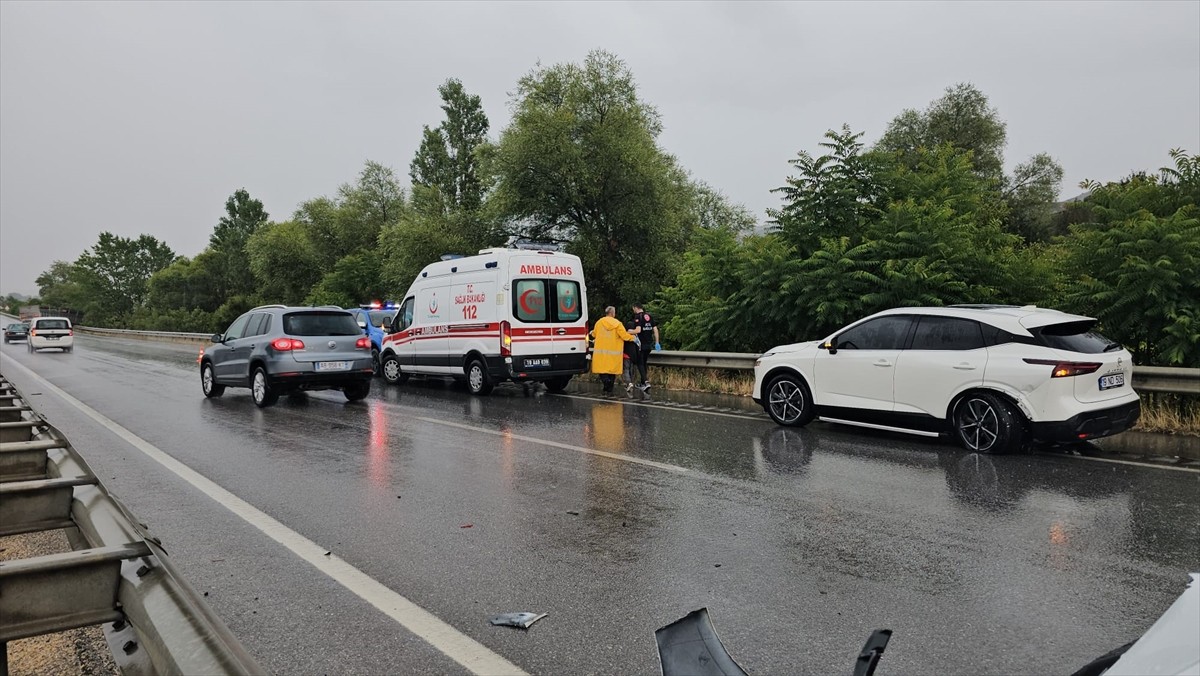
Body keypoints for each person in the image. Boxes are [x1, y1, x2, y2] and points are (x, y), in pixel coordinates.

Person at [590, 306, 636, 394]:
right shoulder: (618, 324)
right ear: (612, 313)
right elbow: (624, 336)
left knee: (602, 370)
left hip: (601, 353)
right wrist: (633, 338)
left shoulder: (599, 322)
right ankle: (609, 387)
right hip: (614, 353)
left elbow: (594, 334)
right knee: (612, 371)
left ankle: (606, 383)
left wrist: (591, 332)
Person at [631, 303, 660, 391]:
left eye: (633, 309)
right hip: (649, 344)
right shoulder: (649, 316)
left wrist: (628, 332)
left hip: (641, 344)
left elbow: (638, 330)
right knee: (644, 363)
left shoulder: (638, 317)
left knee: (640, 363)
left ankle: (646, 382)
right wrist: (657, 342)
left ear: (635, 308)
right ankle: (643, 383)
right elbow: (655, 329)